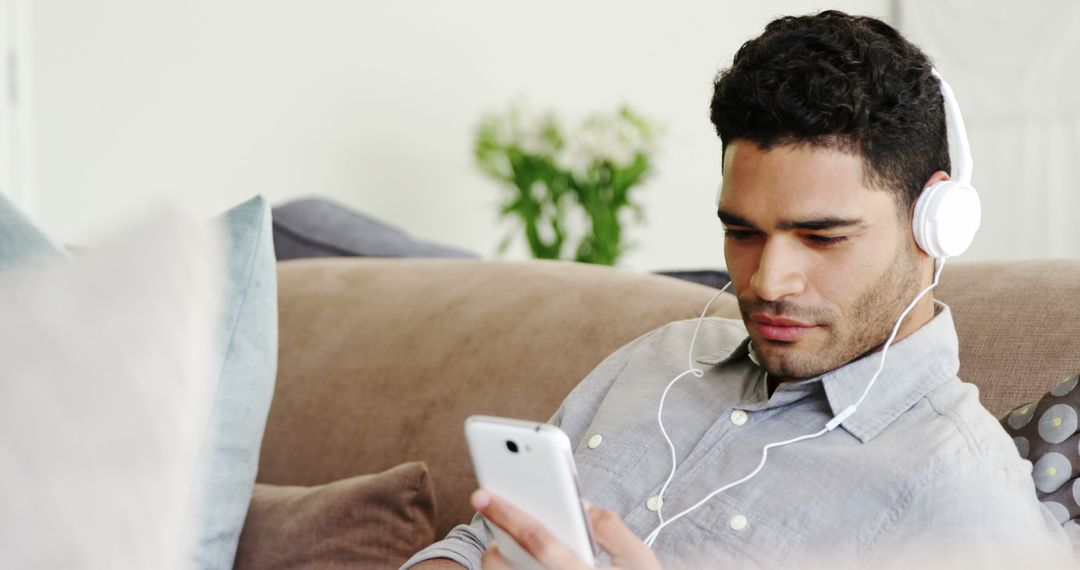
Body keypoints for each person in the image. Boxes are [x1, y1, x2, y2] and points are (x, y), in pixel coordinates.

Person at [404, 11, 1075, 569]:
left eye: (822, 237)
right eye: (742, 231)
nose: (764, 282)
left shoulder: (962, 493)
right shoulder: (658, 360)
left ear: (935, 223)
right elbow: (472, 545)